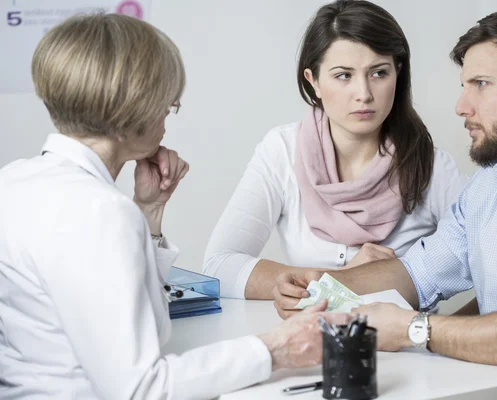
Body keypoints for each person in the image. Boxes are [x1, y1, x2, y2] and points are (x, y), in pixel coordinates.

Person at [0, 13, 348, 400]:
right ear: (127, 112)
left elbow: (106, 301)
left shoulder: (13, 181)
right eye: (166, 102)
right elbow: (141, 388)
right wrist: (276, 348)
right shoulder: (100, 212)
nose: (170, 112)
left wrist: (148, 209)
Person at [273, 8, 497, 399]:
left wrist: (414, 329)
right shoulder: (490, 184)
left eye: (480, 84)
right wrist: (319, 284)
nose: (462, 106)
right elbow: (417, 274)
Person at [203, 0, 466, 300]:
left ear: (398, 72)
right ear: (313, 81)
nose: (364, 94)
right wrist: (343, 280)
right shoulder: (282, 151)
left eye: (379, 73)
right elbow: (219, 266)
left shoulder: (433, 168)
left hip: (401, 343)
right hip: (305, 339)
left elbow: (487, 265)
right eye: (344, 75)